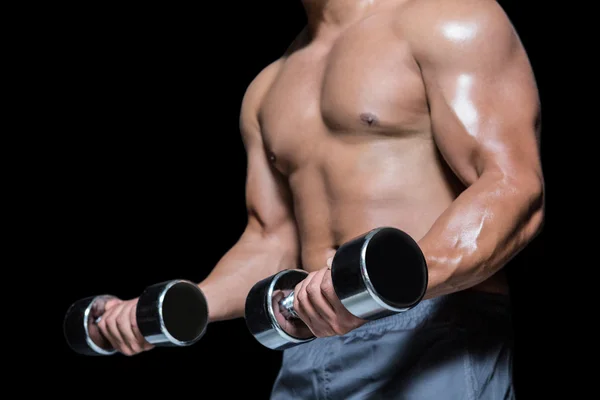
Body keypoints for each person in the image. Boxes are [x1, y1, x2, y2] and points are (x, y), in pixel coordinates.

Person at [92, 0, 544, 398]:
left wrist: (386, 283)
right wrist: (178, 307)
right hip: (307, 344)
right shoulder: (268, 87)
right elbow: (270, 238)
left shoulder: (450, 18)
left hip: (431, 331)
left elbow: (511, 185)